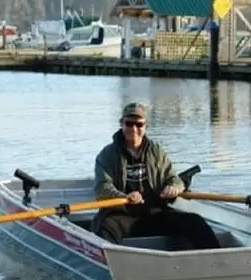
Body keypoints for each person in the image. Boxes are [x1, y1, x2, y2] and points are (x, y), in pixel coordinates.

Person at [90, 102, 221, 250]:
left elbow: (174, 179)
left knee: (195, 222)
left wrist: (174, 188)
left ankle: (218, 263)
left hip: (153, 214)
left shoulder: (156, 151)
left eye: (139, 125)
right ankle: (112, 267)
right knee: (105, 231)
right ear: (122, 124)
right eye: (129, 124)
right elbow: (102, 188)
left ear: (146, 127)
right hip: (121, 215)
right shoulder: (107, 155)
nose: (134, 129)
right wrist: (125, 197)